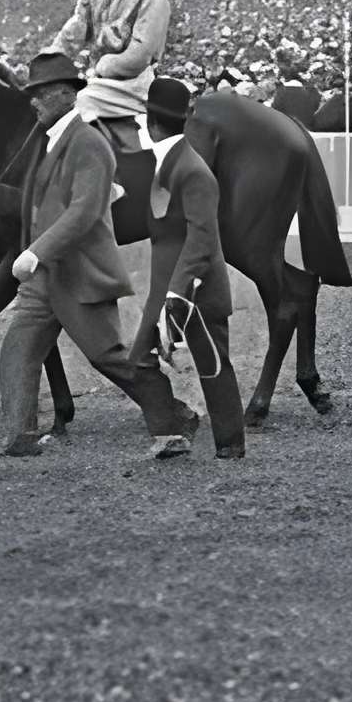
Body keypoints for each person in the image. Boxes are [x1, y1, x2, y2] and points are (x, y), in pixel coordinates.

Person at [0, 51, 203, 461]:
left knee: (110, 358)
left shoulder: (89, 143)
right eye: (32, 93)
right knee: (18, 348)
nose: (33, 101)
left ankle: (173, 423)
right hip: (48, 276)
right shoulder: (55, 141)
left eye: (41, 93)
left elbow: (84, 211)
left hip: (79, 273)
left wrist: (35, 252)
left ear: (66, 94)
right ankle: (20, 436)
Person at [142, 74, 245, 461]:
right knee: (145, 358)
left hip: (198, 289)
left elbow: (202, 238)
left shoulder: (193, 169)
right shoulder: (171, 161)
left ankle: (231, 445)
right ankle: (175, 430)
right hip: (177, 285)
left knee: (214, 367)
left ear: (149, 120)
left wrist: (176, 291)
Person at [49, 0, 171, 130]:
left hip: (133, 87)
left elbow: (139, 57)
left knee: (78, 104)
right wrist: (48, 62)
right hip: (98, 84)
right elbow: (71, 36)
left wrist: (100, 68)